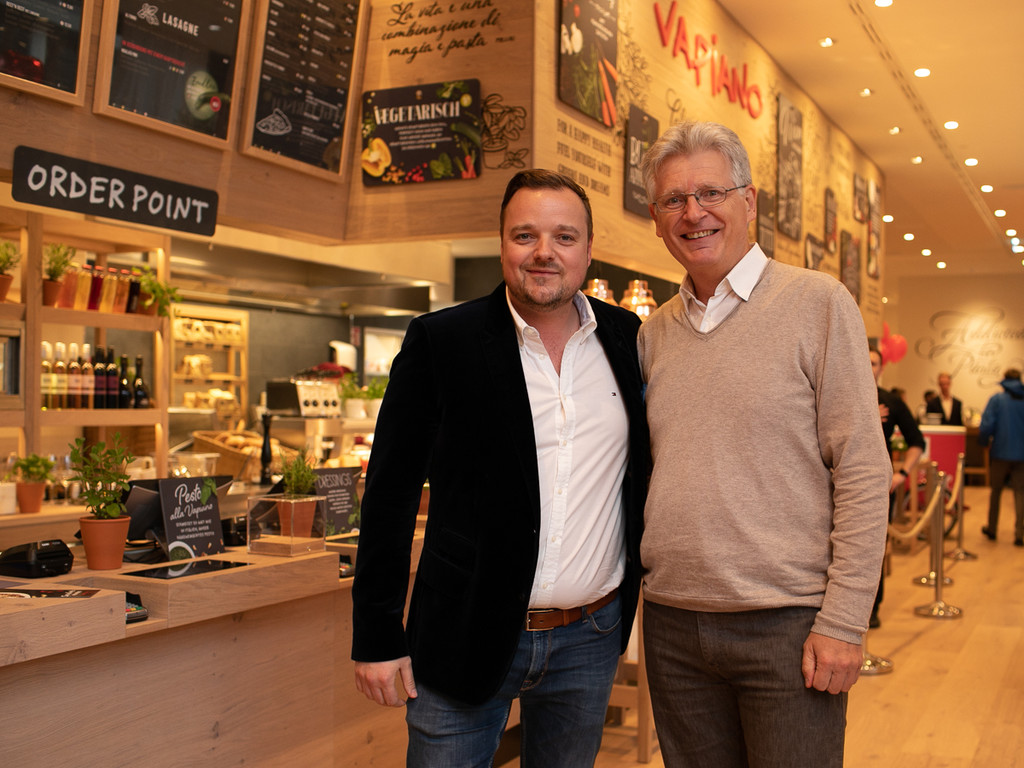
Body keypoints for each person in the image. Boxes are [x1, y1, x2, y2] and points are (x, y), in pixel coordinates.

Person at [350, 169, 649, 767]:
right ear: (502, 243)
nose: (544, 252)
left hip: (590, 636)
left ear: (589, 249)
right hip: (463, 631)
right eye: (525, 235)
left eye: (564, 236)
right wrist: (377, 634)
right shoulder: (442, 341)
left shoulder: (628, 338)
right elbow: (389, 495)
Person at [637, 120, 892, 767]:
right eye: (674, 199)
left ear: (748, 201)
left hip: (788, 626)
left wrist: (845, 620)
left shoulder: (819, 304)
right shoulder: (653, 334)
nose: (694, 212)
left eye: (711, 193)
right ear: (656, 219)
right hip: (672, 626)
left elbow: (862, 469)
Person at [869, 346, 925, 628]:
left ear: (882, 368)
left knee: (873, 549)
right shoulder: (836, 394)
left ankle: (872, 607)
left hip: (879, 486)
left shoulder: (890, 401)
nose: (868, 366)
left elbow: (917, 441)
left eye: (874, 363)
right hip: (833, 485)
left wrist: (901, 473)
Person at [979, 368, 1024, 547]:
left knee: (996, 490)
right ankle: (1019, 533)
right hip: (1022, 455)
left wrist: (983, 442)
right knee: (1020, 492)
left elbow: (986, 425)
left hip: (1000, 452)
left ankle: (992, 528)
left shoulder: (997, 399)